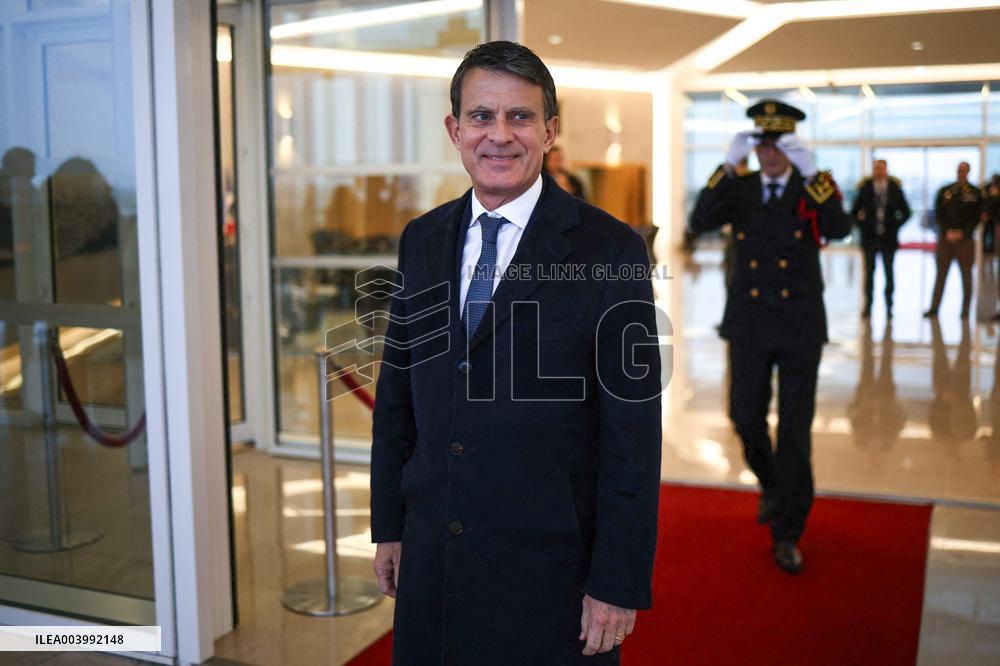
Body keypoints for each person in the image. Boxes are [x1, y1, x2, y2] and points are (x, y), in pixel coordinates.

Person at [370, 41, 662, 665]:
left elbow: (632, 436)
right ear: (454, 129)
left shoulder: (610, 251)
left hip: (548, 573)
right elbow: (396, 399)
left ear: (550, 130)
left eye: (520, 117)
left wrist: (617, 581)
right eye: (481, 116)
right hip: (434, 563)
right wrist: (390, 525)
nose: (499, 136)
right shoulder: (422, 240)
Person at [688, 99, 851, 574]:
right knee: (744, 417)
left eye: (780, 144)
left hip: (799, 323)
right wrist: (725, 164)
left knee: (795, 432)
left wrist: (814, 174)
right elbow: (699, 221)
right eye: (762, 143)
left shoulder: (812, 186)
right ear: (753, 147)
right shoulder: (738, 187)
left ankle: (787, 531)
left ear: (793, 148)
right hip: (750, 321)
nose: (771, 153)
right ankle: (776, 488)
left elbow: (840, 228)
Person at [851, 159, 911, 319]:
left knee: (889, 273)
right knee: (869, 274)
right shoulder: (865, 187)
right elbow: (854, 211)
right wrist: (862, 225)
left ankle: (889, 307)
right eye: (876, 168)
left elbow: (906, 212)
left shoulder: (894, 188)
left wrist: (895, 225)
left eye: (881, 168)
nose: (879, 171)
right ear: (873, 170)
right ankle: (868, 306)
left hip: (888, 239)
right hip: (869, 238)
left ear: (886, 170)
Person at [924, 162, 983, 319]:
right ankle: (934, 308)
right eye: (959, 170)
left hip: (966, 240)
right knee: (941, 275)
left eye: (964, 171)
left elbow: (977, 217)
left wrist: (963, 232)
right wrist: (947, 231)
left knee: (966, 276)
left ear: (968, 172)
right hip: (945, 239)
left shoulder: (975, 193)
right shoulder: (945, 191)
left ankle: (965, 310)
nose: (961, 173)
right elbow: (938, 214)